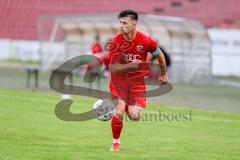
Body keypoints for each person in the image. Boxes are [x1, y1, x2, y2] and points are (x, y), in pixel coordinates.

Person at [101, 10, 168, 152]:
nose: (121, 26)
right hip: (118, 83)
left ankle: (125, 105)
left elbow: (160, 54)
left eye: (124, 23)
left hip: (136, 84)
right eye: (120, 23)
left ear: (134, 24)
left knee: (135, 116)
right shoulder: (116, 42)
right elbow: (113, 68)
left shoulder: (145, 40)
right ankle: (115, 143)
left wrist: (163, 74)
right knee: (119, 112)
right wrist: (129, 66)